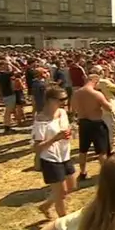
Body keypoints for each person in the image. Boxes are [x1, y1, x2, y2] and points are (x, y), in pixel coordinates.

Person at [32, 87, 76, 219]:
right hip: (51, 158)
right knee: (61, 195)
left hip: (65, 155)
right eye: (61, 99)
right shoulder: (41, 119)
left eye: (66, 98)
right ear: (50, 100)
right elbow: (37, 147)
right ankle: (64, 223)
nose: (65, 101)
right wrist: (55, 138)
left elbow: (65, 129)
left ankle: (46, 205)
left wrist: (71, 132)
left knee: (71, 186)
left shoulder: (62, 112)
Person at [71, 74, 113, 181]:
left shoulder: (76, 93)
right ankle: (105, 174)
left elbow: (73, 109)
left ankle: (83, 172)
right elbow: (109, 108)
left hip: (83, 122)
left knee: (83, 150)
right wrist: (109, 101)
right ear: (96, 81)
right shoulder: (96, 94)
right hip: (96, 123)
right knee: (102, 151)